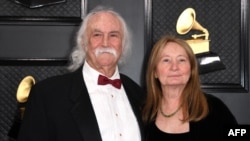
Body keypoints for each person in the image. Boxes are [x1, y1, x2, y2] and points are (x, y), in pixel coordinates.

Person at [17, 6, 145, 141]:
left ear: (123, 44)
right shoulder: (46, 95)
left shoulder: (140, 96)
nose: (105, 43)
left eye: (113, 35)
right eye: (97, 35)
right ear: (83, 43)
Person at [142, 35, 238, 141]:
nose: (174, 67)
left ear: (191, 69)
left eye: (181, 60)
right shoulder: (143, 112)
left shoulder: (215, 108)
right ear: (155, 71)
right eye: (166, 60)